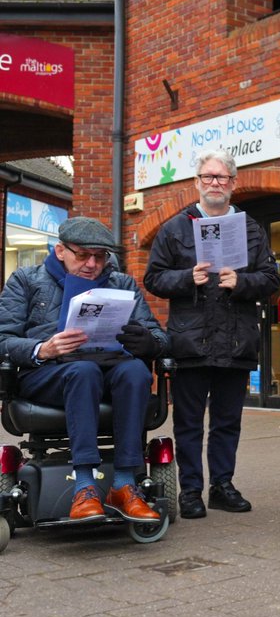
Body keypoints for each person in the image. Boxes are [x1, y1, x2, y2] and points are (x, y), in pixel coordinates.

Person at [0, 217, 167, 521]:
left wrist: (149, 343)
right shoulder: (26, 280)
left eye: (100, 257)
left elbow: (159, 337)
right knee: (82, 372)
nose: (92, 264)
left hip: (108, 368)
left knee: (136, 372)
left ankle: (124, 486)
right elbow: (2, 339)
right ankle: (85, 487)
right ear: (60, 250)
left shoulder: (122, 283)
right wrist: (42, 348)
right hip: (49, 372)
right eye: (82, 255)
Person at [144, 150, 280, 519]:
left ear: (233, 184)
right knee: (188, 422)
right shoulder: (175, 227)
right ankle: (190, 490)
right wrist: (187, 277)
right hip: (191, 340)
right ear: (197, 182)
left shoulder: (250, 228)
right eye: (208, 177)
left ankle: (222, 485)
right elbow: (153, 278)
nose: (215, 183)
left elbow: (272, 280)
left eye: (222, 177)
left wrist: (243, 282)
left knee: (227, 421)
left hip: (236, 340)